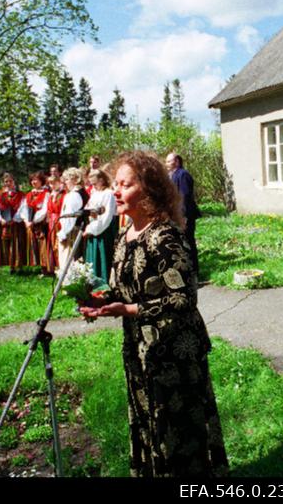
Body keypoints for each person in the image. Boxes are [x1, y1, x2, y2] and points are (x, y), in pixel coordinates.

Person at [79, 151, 228, 477]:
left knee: (177, 430)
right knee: (150, 424)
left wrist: (130, 309)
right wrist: (100, 300)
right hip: (140, 347)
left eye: (125, 185)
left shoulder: (166, 236)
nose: (116, 191)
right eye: (115, 184)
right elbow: (126, 288)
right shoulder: (125, 235)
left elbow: (183, 299)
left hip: (173, 351)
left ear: (148, 190)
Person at [165, 152, 202, 277]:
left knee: (188, 243)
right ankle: (185, 271)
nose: (166, 164)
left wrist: (184, 216)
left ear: (176, 162)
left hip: (184, 216)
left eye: (169, 161)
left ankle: (193, 272)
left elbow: (184, 196)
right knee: (180, 243)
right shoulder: (172, 175)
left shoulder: (183, 175)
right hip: (176, 216)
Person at [83, 168, 117, 285]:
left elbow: (106, 217)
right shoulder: (95, 193)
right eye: (91, 184)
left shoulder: (108, 194)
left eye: (95, 183)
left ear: (102, 180)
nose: (93, 186)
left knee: (103, 257)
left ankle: (104, 284)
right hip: (93, 228)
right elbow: (89, 210)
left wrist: (93, 230)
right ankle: (92, 284)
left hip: (103, 231)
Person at [0, 173, 26, 271]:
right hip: (3, 225)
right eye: (6, 181)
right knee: (6, 245)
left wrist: (15, 219)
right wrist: (0, 219)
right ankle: (10, 266)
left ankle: (19, 265)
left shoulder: (20, 195)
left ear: (14, 182)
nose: (8, 183)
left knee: (17, 244)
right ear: (3, 183)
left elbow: (23, 208)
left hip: (16, 224)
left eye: (10, 181)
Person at [57, 167, 87, 272]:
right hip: (75, 230)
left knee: (68, 261)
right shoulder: (80, 193)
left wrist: (63, 233)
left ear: (75, 179)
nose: (65, 182)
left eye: (67, 179)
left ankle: (69, 286)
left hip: (72, 231)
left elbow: (70, 217)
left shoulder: (74, 195)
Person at [20, 171, 50, 270]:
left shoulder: (46, 194)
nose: (34, 182)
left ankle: (46, 268)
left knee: (43, 246)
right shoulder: (28, 195)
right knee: (34, 245)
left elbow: (44, 209)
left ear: (41, 181)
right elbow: (23, 209)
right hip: (30, 224)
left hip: (40, 224)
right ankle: (38, 266)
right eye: (32, 180)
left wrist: (34, 220)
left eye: (36, 180)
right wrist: (26, 221)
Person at [43, 174, 65, 275]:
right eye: (50, 184)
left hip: (60, 220)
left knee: (59, 243)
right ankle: (54, 266)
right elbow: (48, 209)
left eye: (54, 183)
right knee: (52, 244)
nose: (52, 185)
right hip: (52, 222)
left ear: (59, 182)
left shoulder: (63, 194)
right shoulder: (51, 195)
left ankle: (61, 266)